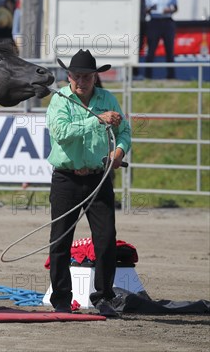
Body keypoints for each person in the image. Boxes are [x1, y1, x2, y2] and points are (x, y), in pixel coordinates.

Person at [46, 49, 132, 317]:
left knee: (106, 238)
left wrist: (119, 152)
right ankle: (61, 298)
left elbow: (124, 131)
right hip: (66, 177)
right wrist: (97, 120)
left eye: (86, 76)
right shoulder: (60, 100)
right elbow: (61, 133)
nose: (80, 81)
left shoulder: (107, 99)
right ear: (69, 76)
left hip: (99, 177)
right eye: (76, 76)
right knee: (60, 240)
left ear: (95, 77)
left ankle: (104, 295)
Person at [144, 0, 178, 79]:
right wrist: (150, 9)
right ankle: (148, 75)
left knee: (170, 50)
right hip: (155, 21)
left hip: (167, 22)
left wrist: (170, 10)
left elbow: (176, 8)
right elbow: (145, 9)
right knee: (151, 50)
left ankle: (171, 75)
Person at [134, 0, 150, 80]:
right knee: (135, 48)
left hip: (141, 21)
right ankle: (134, 73)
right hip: (136, 23)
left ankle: (135, 72)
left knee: (139, 48)